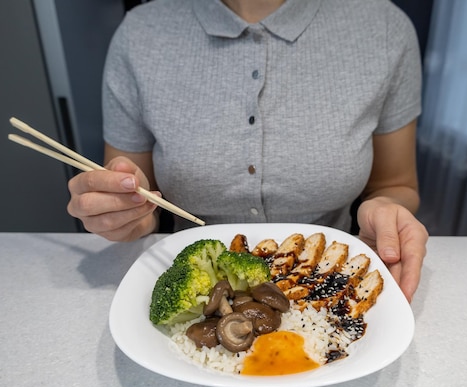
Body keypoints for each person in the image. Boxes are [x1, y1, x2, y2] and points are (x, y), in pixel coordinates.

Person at [66, 0, 428, 302]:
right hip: (191, 285)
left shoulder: (384, 28)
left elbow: (397, 185)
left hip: (330, 285)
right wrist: (123, 211)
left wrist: (385, 209)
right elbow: (134, 198)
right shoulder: (139, 33)